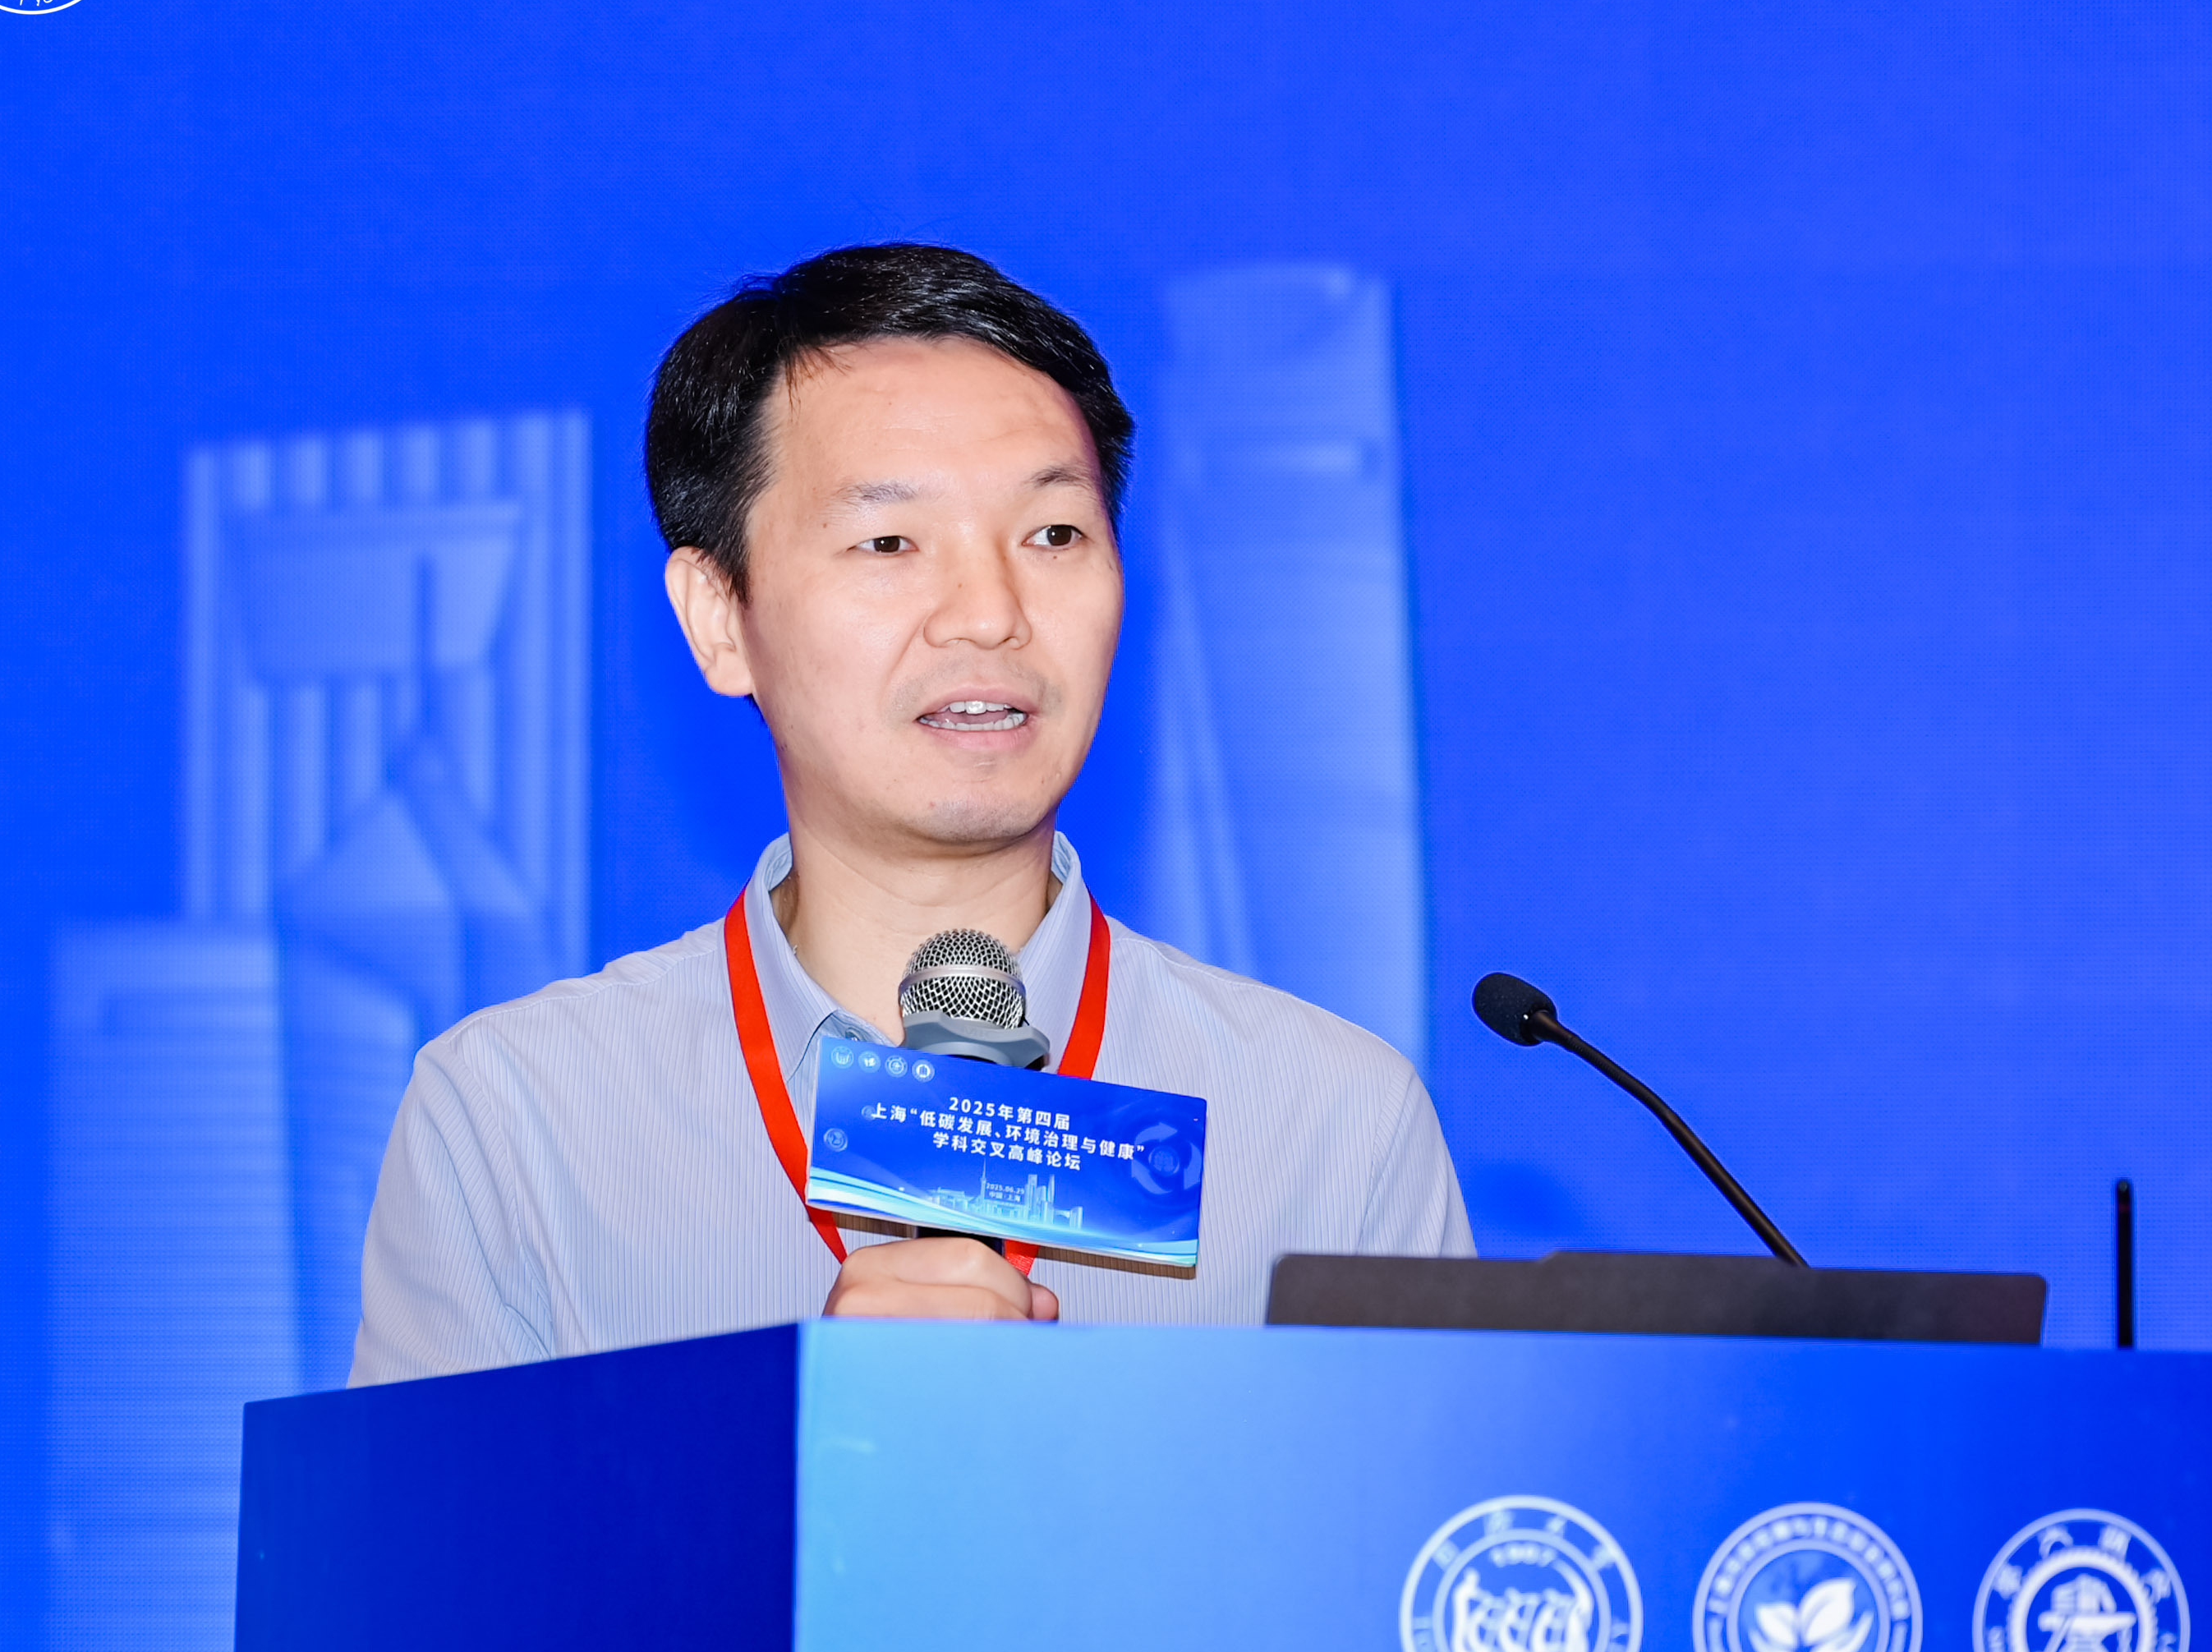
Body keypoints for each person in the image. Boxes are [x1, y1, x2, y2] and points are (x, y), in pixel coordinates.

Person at [347, 242, 1472, 1378]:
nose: (988, 612)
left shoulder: (1332, 1124)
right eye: (890, 542)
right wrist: (816, 1430)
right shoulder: (518, 1121)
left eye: (1053, 535)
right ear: (719, 616)